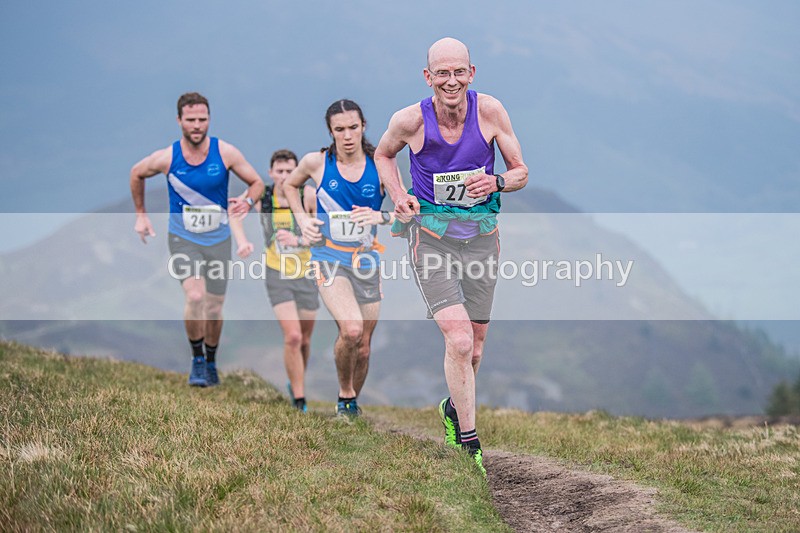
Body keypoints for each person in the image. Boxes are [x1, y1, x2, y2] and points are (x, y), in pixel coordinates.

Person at [374, 38, 528, 474]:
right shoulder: (409, 120)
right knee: (458, 340)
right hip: (431, 238)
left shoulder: (491, 112)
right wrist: (399, 194)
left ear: (471, 73)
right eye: (442, 73)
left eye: (458, 72)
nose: (451, 81)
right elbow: (383, 155)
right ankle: (470, 444)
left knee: (474, 350)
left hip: (482, 238)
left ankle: (451, 408)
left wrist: (496, 183)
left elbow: (521, 172)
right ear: (428, 77)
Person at [130, 92, 264, 387]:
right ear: (179, 120)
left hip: (218, 240)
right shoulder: (167, 157)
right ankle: (197, 361)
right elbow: (136, 173)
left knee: (214, 307)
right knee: (195, 296)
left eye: (202, 120)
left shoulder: (225, 153)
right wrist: (141, 215)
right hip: (183, 238)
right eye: (190, 120)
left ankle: (212, 360)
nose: (197, 125)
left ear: (209, 120)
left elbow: (257, 183)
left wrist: (247, 200)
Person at [283, 99, 395, 418]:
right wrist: (302, 220)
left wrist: (379, 217)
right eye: (339, 130)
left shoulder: (381, 164)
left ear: (363, 127)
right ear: (330, 132)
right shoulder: (316, 163)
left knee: (364, 345)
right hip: (328, 257)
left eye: (353, 128)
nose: (347, 136)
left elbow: (403, 217)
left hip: (366, 261)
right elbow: (291, 185)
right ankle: (345, 395)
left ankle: (351, 403)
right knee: (351, 330)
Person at [230, 149, 319, 412]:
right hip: (276, 272)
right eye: (279, 171)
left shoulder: (308, 195)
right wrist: (242, 241)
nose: (284, 176)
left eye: (290, 171)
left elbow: (321, 232)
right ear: (270, 173)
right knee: (292, 336)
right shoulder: (264, 197)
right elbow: (235, 212)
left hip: (307, 273)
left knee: (304, 340)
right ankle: (300, 398)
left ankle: (296, 381)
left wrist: (299, 240)